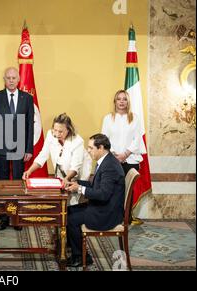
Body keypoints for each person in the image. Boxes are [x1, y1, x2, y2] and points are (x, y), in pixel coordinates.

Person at [64, 134, 125, 268]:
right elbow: (96, 186)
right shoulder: (106, 161)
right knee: (68, 211)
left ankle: (80, 257)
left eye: (91, 148)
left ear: (101, 148)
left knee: (71, 218)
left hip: (107, 213)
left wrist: (79, 189)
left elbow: (103, 194)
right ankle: (74, 247)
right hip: (103, 207)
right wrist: (76, 182)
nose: (88, 151)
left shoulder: (109, 166)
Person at [0, 67, 34, 230]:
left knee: (16, 182)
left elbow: (30, 125)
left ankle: (16, 218)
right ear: (4, 79)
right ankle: (4, 218)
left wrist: (29, 149)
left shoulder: (27, 98)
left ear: (19, 79)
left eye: (14, 77)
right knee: (2, 183)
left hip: (20, 147)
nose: (11, 80)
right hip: (0, 147)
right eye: (8, 78)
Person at [22, 113, 91, 187]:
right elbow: (43, 155)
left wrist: (66, 179)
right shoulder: (50, 135)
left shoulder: (77, 141)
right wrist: (29, 171)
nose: (57, 134)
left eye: (60, 131)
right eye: (55, 130)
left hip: (79, 176)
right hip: (61, 174)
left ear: (68, 130)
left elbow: (75, 167)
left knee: (74, 195)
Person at [101, 89, 146, 175]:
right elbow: (104, 139)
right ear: (115, 101)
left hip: (131, 160)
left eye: (125, 99)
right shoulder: (107, 118)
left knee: (129, 188)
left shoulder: (135, 118)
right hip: (112, 160)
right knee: (113, 188)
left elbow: (137, 139)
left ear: (128, 102)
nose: (122, 101)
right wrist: (115, 155)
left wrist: (125, 154)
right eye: (119, 99)